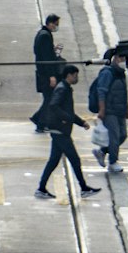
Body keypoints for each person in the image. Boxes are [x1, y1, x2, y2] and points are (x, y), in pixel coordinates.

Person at [35, 65, 101, 200]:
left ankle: (41, 189)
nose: (77, 78)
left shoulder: (65, 88)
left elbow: (68, 112)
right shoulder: (62, 89)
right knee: (75, 160)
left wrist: (81, 122)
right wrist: (66, 119)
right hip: (60, 130)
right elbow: (54, 106)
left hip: (59, 130)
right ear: (69, 75)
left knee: (53, 161)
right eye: (75, 75)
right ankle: (84, 188)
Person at [94, 52, 128, 173]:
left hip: (120, 110)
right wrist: (102, 109)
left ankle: (102, 151)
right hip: (110, 110)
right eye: (122, 57)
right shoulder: (107, 73)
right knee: (114, 137)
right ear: (116, 58)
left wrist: (127, 108)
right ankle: (113, 162)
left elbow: (124, 92)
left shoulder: (121, 74)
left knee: (122, 135)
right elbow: (101, 91)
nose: (123, 61)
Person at [32, 14, 62, 133]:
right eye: (56, 24)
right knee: (49, 99)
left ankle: (38, 119)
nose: (56, 27)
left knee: (48, 98)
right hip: (45, 73)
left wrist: (53, 50)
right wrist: (52, 76)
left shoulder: (42, 34)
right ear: (50, 23)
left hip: (42, 72)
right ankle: (40, 122)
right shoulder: (45, 36)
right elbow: (46, 57)